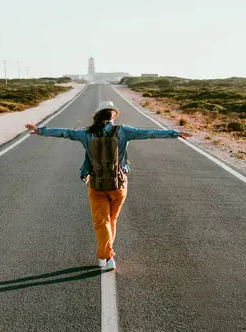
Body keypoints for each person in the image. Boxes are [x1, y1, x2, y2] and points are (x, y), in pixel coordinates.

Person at [25, 101, 192, 271]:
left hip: (96, 183)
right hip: (118, 184)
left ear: (97, 116)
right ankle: (106, 254)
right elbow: (148, 133)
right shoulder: (123, 131)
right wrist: (174, 133)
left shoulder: (87, 134)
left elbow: (65, 133)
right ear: (113, 116)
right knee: (111, 219)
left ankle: (107, 255)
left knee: (101, 221)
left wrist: (40, 131)